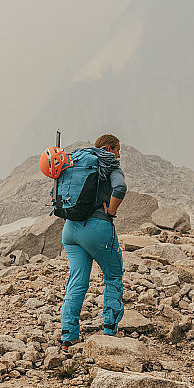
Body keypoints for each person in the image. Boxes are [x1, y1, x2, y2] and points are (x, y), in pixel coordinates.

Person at [59, 134, 127, 350]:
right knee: (113, 275)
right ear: (108, 148)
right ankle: (110, 330)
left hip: (70, 229)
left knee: (77, 280)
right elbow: (120, 188)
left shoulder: (76, 162)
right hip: (97, 229)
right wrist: (112, 210)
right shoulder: (110, 165)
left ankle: (68, 336)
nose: (119, 154)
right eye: (118, 149)